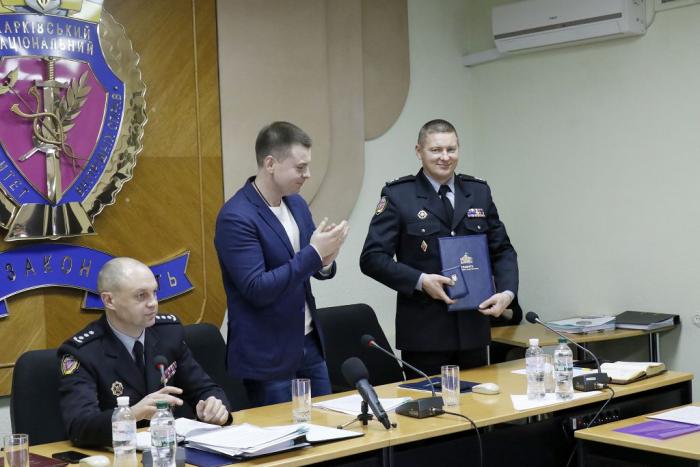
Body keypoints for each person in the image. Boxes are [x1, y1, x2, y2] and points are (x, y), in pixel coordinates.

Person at [359, 119, 519, 377]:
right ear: (419, 151)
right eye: (436, 150)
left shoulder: (478, 192)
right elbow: (372, 258)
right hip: (425, 335)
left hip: (473, 329)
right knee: (429, 402)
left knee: (481, 400)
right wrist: (421, 281)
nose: (445, 157)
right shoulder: (398, 195)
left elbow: (502, 250)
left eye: (451, 149)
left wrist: (507, 293)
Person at [215, 121, 348, 407]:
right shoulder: (236, 217)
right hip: (268, 354)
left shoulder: (296, 204)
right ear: (270, 164)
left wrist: (325, 261)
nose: (307, 174)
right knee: (281, 433)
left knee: (329, 425)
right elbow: (257, 288)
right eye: (300, 167)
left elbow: (309, 265)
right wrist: (314, 253)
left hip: (309, 342)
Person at [57, 257, 232, 448]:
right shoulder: (83, 352)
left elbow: (204, 389)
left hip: (169, 450)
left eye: (154, 292)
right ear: (109, 300)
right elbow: (79, 426)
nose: (153, 303)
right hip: (118, 455)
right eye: (141, 296)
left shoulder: (168, 333)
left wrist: (215, 407)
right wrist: (131, 414)